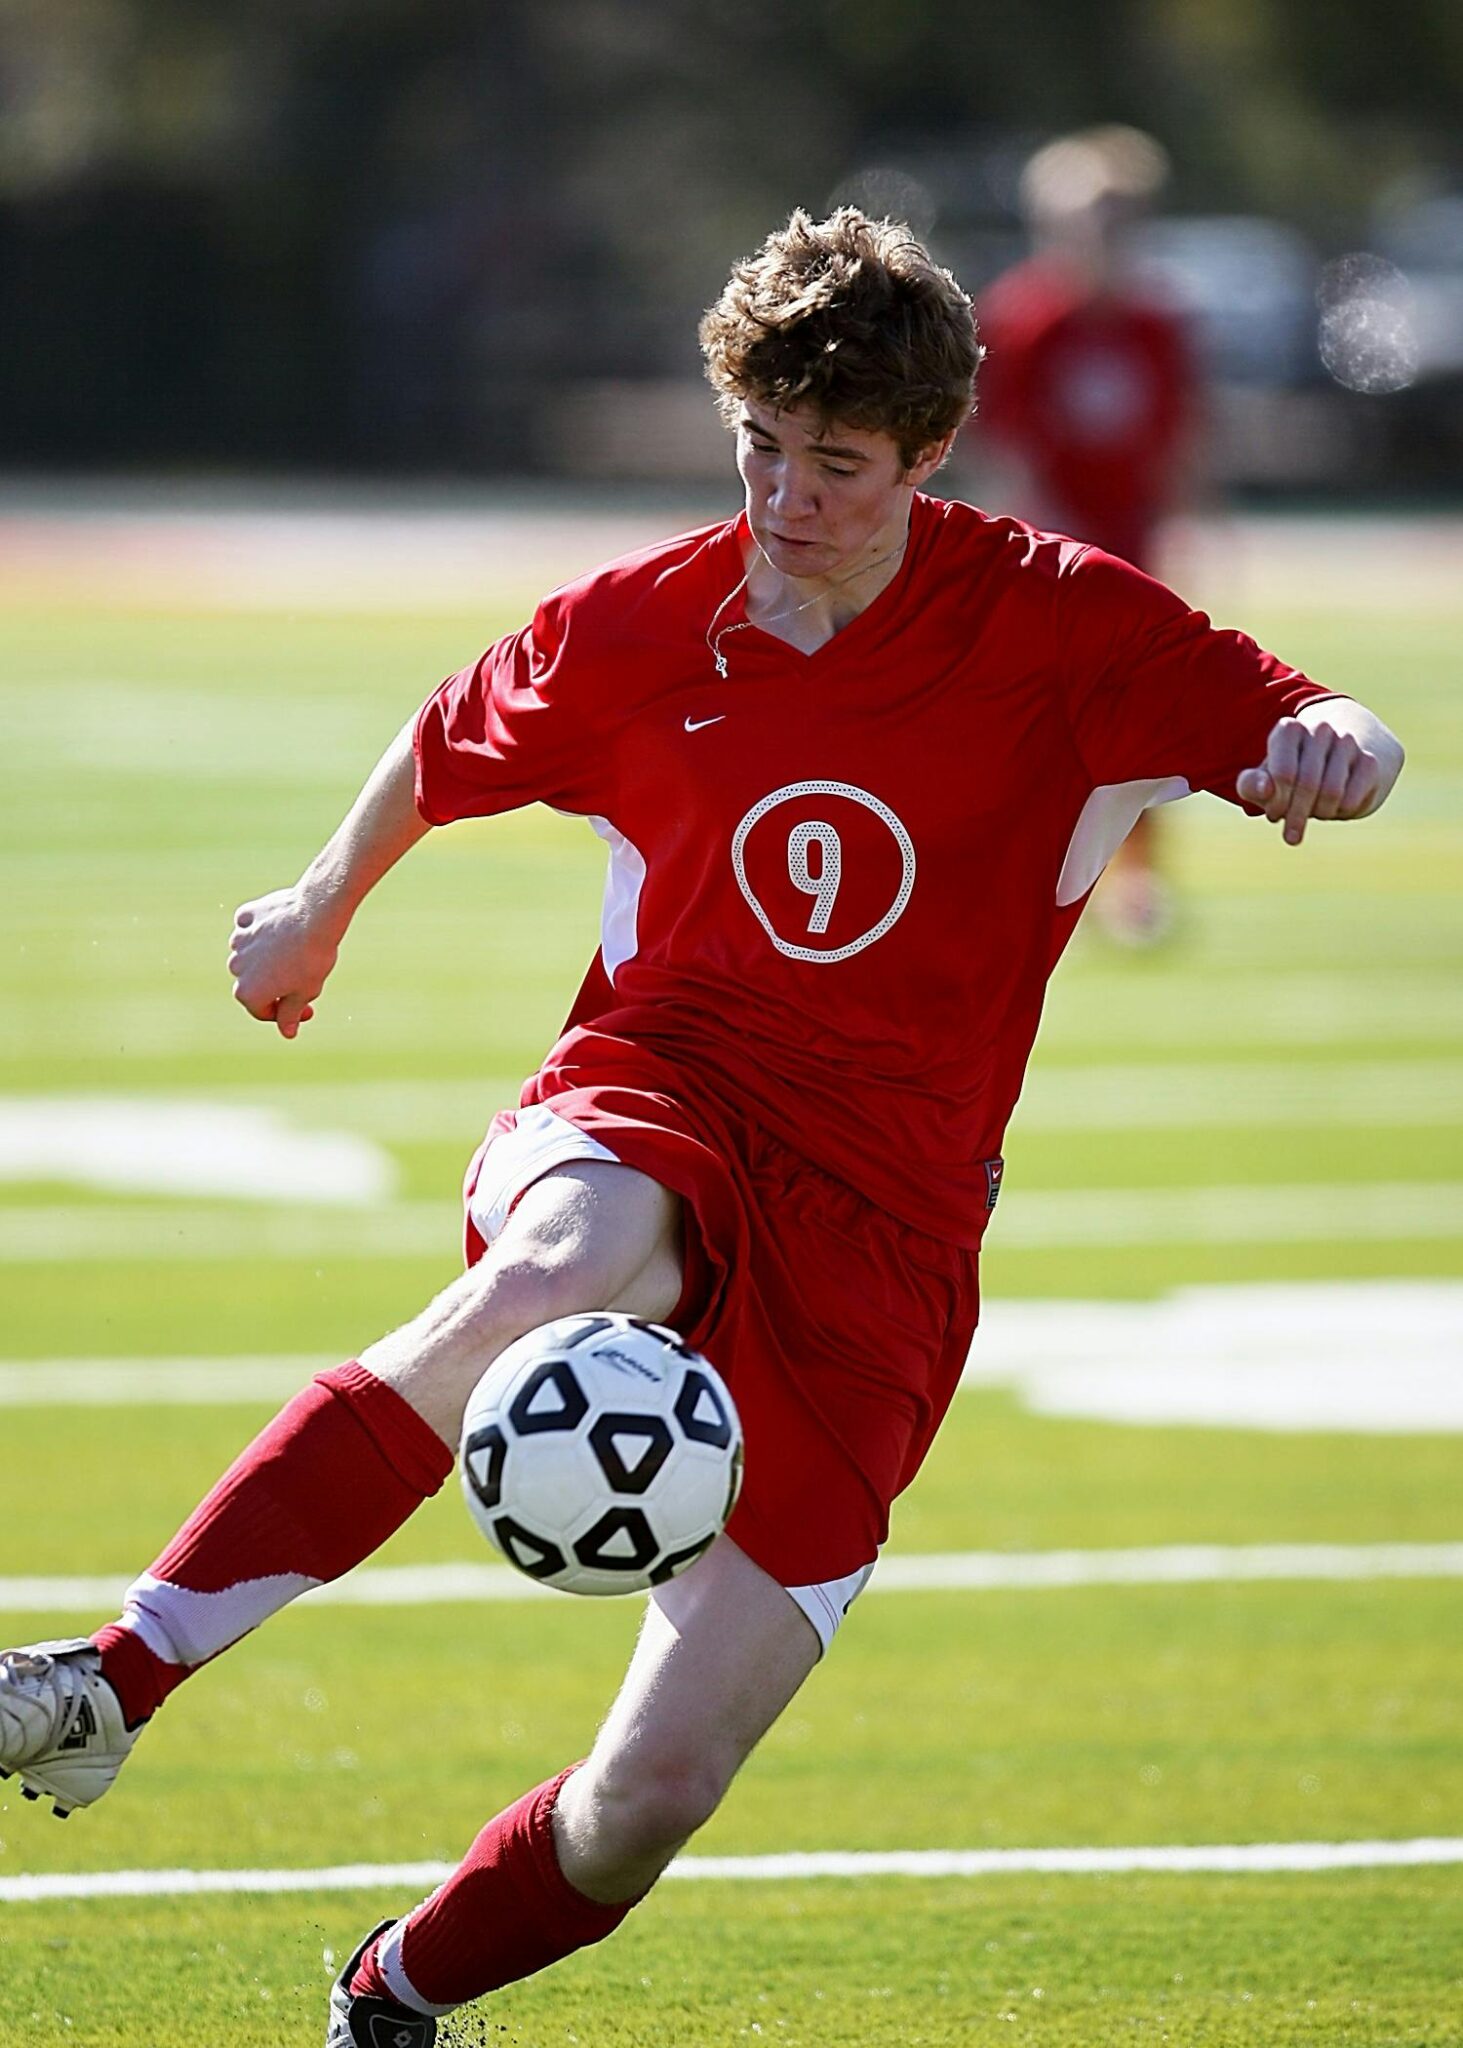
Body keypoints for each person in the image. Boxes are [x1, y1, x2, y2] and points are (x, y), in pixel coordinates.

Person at [0, 208, 1403, 2047]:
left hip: (885, 1244)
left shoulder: (1059, 626)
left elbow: (1321, 719)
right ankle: (113, 1676)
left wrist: (1339, 751)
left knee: (647, 1796)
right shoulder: (651, 614)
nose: (788, 495)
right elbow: (447, 739)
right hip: (654, 1088)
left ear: (922, 455)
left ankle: (395, 1994)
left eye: (836, 464)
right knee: (562, 1262)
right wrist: (318, 902)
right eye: (760, 448)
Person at [974, 126, 1203, 942]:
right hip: (1050, 559)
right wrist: (1041, 549)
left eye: (1117, 221)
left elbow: (1177, 442)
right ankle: (1004, 883)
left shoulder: (1157, 324)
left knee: (1137, 726)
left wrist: (1187, 533)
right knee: (1028, 728)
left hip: (1130, 555)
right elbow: (1006, 449)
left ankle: (1135, 887)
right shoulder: (1024, 320)